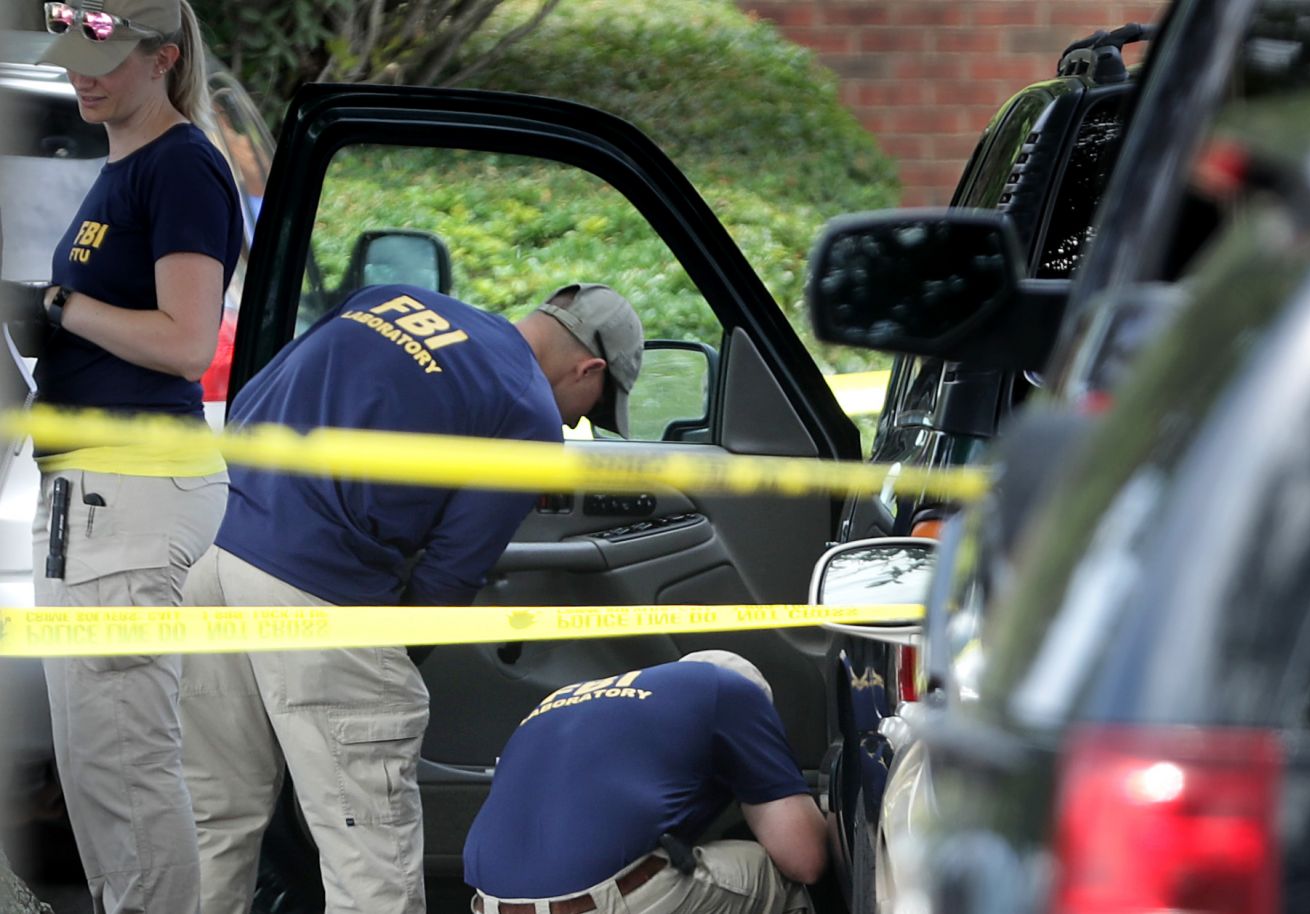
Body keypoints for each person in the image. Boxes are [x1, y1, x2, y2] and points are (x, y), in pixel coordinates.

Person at [176, 281, 645, 914]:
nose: (575, 421)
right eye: (591, 406)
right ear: (589, 367)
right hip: (318, 593)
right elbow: (446, 584)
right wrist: (393, 657)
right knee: (371, 856)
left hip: (210, 554)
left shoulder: (393, 299)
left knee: (215, 819)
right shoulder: (528, 413)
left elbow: (255, 398)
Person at [32, 1, 243, 911]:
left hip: (129, 493)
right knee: (99, 775)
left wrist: (53, 308)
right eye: (74, 51)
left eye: (103, 56)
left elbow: (188, 343)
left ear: (163, 57)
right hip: (95, 496)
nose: (82, 72)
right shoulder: (125, 164)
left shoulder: (182, 164)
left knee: (125, 774)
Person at [464, 651, 828, 914]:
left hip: (490, 904)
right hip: (594, 903)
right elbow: (805, 859)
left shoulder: (561, 699)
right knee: (776, 876)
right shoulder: (731, 691)